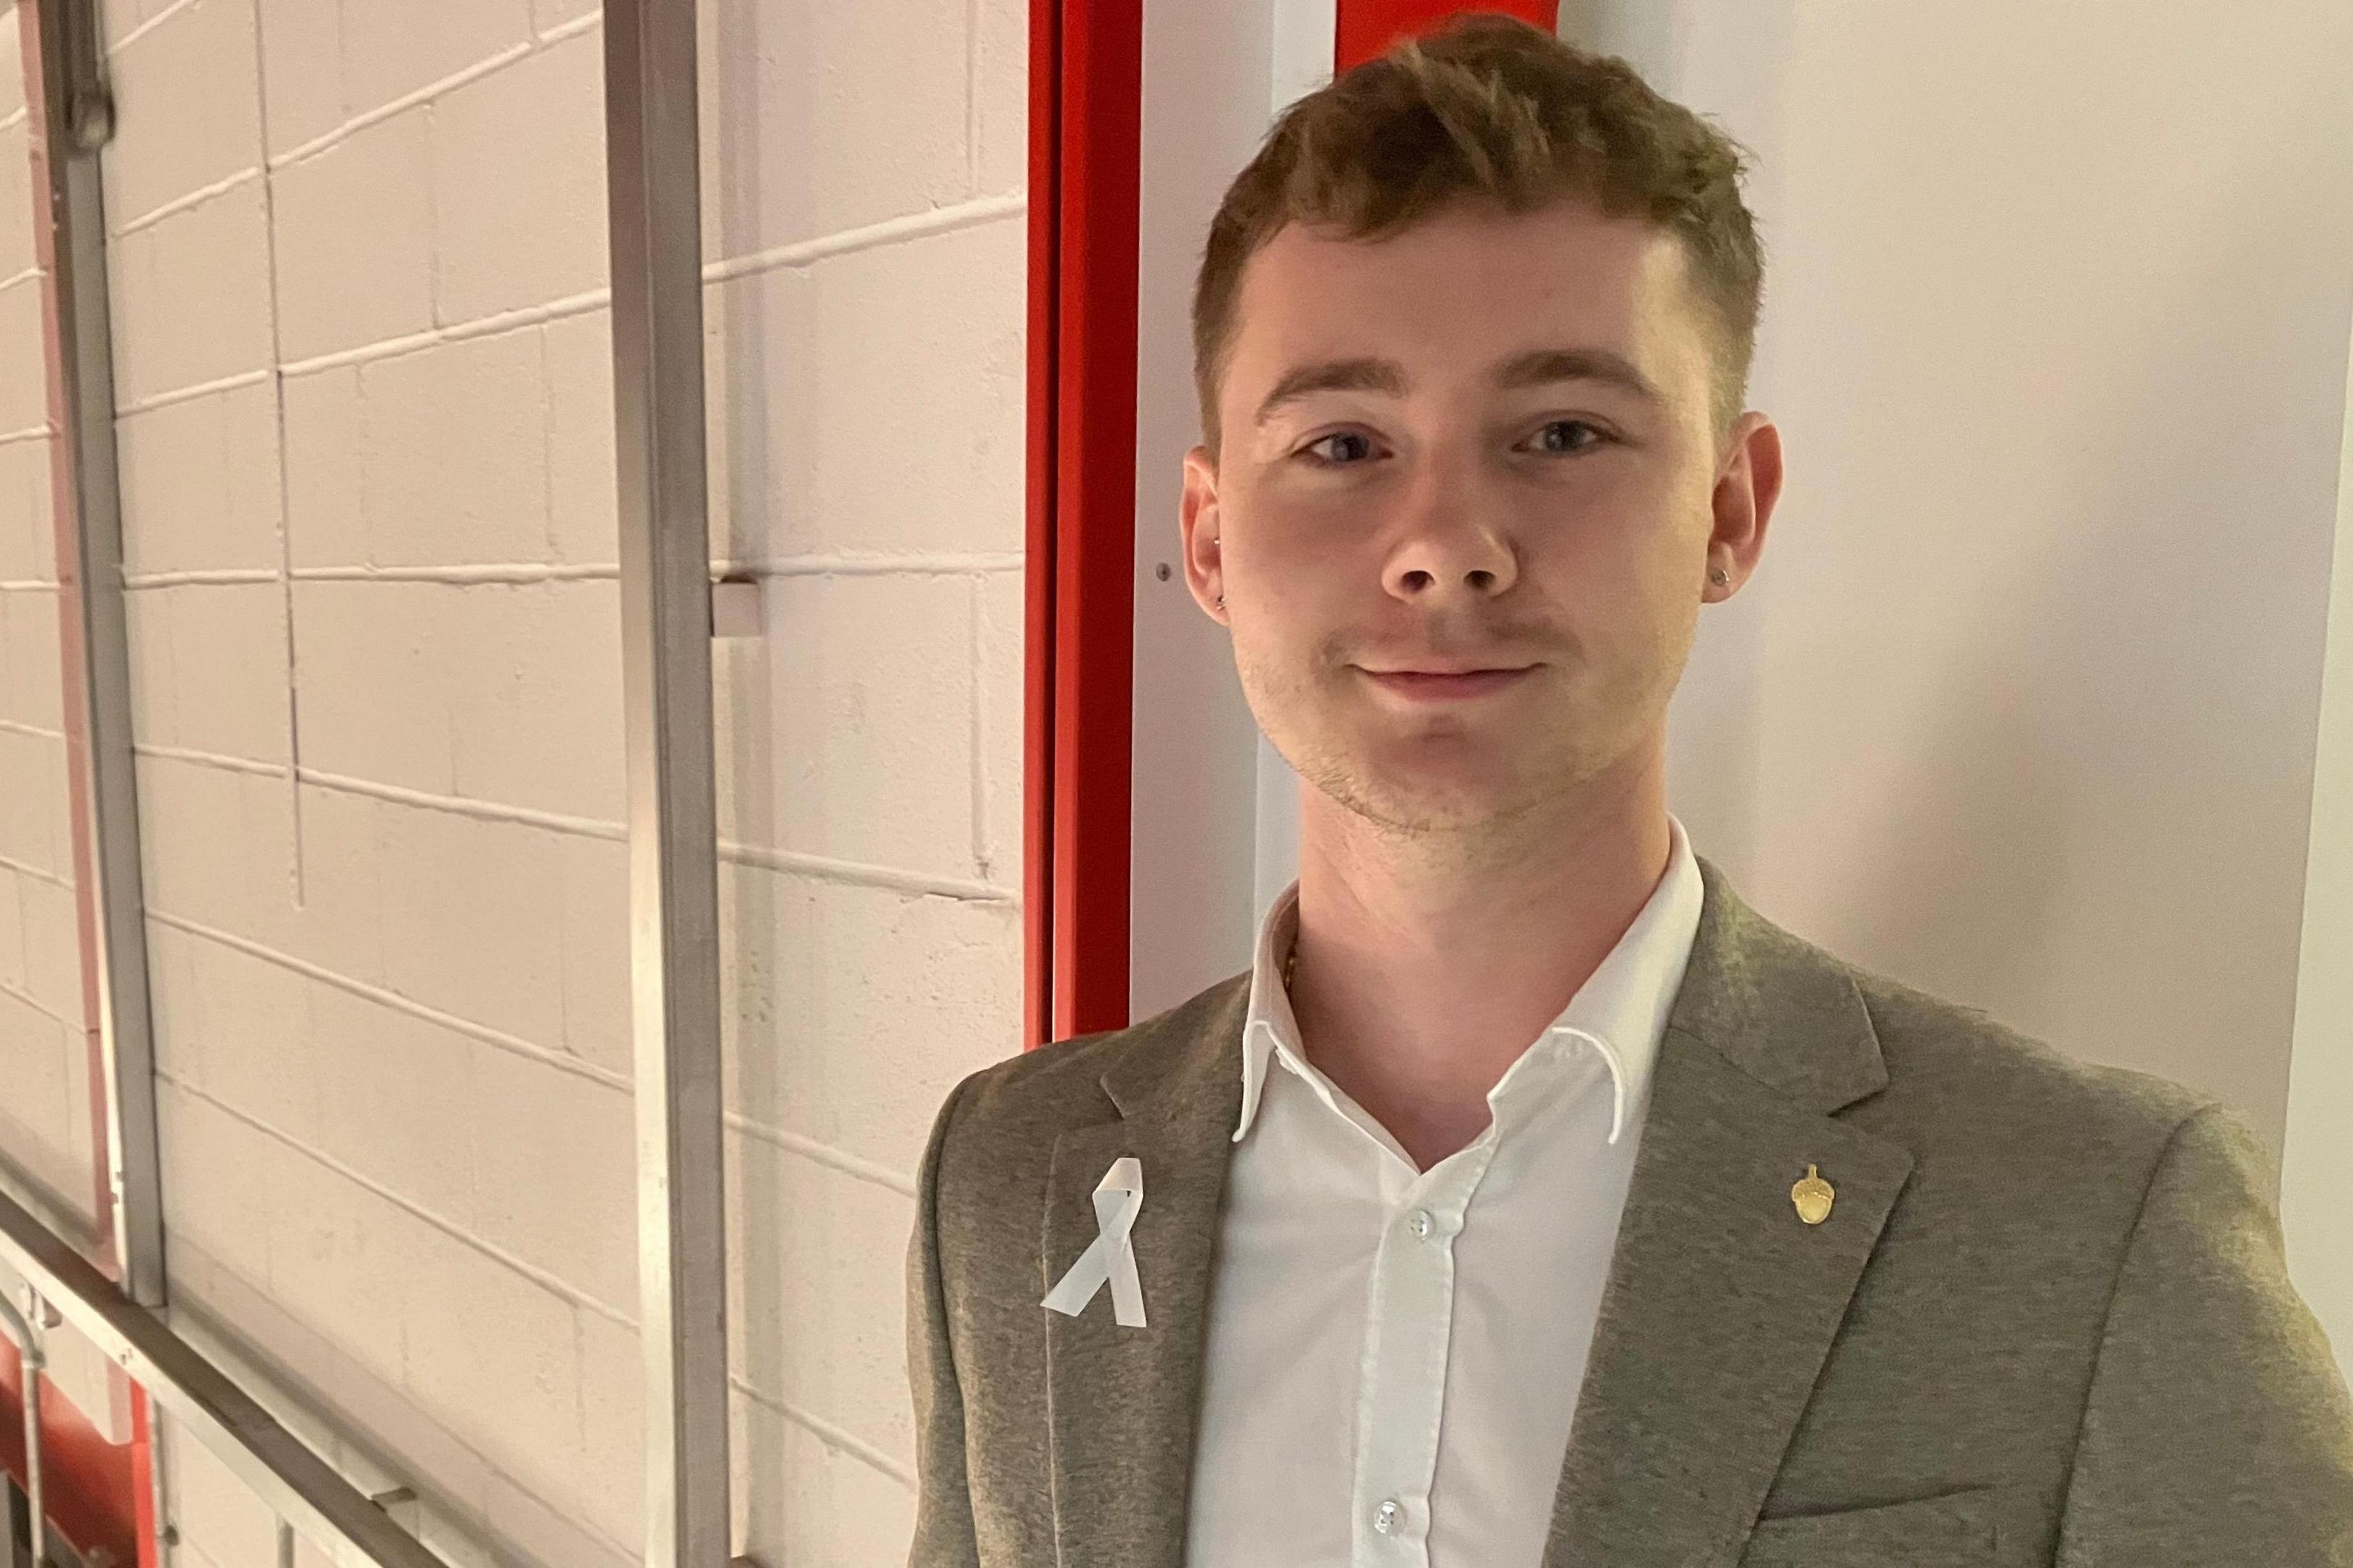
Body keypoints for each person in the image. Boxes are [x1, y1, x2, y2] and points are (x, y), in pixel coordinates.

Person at [904, 17, 2353, 1568]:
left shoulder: (2095, 1222)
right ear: (1206, 538)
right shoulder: (1008, 1179)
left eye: (1563, 434)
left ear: (1730, 512)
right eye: (1341, 443)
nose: (1444, 541)